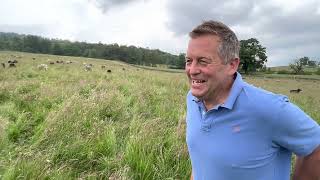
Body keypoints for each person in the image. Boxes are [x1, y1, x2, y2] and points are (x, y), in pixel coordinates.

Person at [185, 20, 320, 180]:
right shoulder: (193, 99)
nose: (192, 70)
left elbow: (316, 147)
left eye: (203, 61)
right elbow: (201, 159)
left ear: (232, 65)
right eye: (188, 61)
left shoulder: (270, 109)